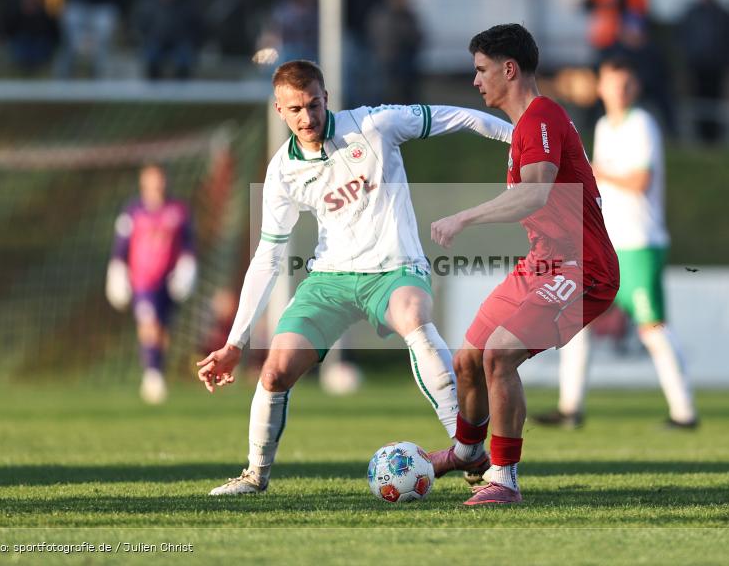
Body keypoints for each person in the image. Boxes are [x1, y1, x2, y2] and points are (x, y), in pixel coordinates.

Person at [197, 60, 512, 496]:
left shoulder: (374, 124)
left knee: (414, 319)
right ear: (279, 109)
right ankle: (254, 476)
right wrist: (235, 343)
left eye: (313, 104)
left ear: (326, 97)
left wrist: (521, 138)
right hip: (330, 280)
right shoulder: (282, 172)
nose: (306, 118)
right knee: (273, 373)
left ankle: (470, 448)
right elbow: (268, 256)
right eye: (294, 110)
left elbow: (457, 115)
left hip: (395, 268)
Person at [428, 24, 620, 505]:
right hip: (544, 261)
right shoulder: (529, 125)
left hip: (583, 268)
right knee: (467, 358)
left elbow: (535, 192)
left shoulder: (540, 119)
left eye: (481, 70)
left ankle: (504, 479)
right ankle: (468, 451)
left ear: (508, 69)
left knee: (499, 354)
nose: (476, 81)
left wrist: (464, 218)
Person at [532, 57, 698, 431]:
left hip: (640, 244)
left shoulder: (642, 126)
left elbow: (640, 181)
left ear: (633, 88)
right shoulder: (605, 125)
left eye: (625, 85)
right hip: (608, 242)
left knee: (652, 329)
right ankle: (570, 408)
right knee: (576, 321)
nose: (618, 91)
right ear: (601, 87)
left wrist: (596, 171)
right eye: (612, 84)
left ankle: (684, 413)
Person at [106, 164, 197, 404]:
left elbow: (188, 244)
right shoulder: (132, 212)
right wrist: (117, 270)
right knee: (149, 324)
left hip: (168, 280)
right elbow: (121, 246)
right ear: (143, 184)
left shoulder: (178, 211)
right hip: (143, 280)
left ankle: (157, 370)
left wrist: (187, 267)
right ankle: (152, 374)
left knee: (163, 329)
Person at [679, 0, 729, 143]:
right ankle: (700, 134)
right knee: (699, 98)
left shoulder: (722, 15)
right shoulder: (692, 13)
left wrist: (726, 60)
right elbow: (683, 37)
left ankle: (714, 135)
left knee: (715, 99)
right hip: (697, 66)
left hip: (716, 67)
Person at [132, 0, 201, 80]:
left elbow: (195, 27)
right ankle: (152, 90)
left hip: (180, 43)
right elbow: (141, 26)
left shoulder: (187, 4)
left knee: (185, 55)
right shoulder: (148, 3)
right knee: (151, 54)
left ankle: (182, 91)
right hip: (155, 41)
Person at [56, 0, 123, 78]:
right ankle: (62, 82)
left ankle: (100, 84)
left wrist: (116, 9)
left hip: (103, 7)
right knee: (69, 28)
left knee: (103, 36)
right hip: (78, 5)